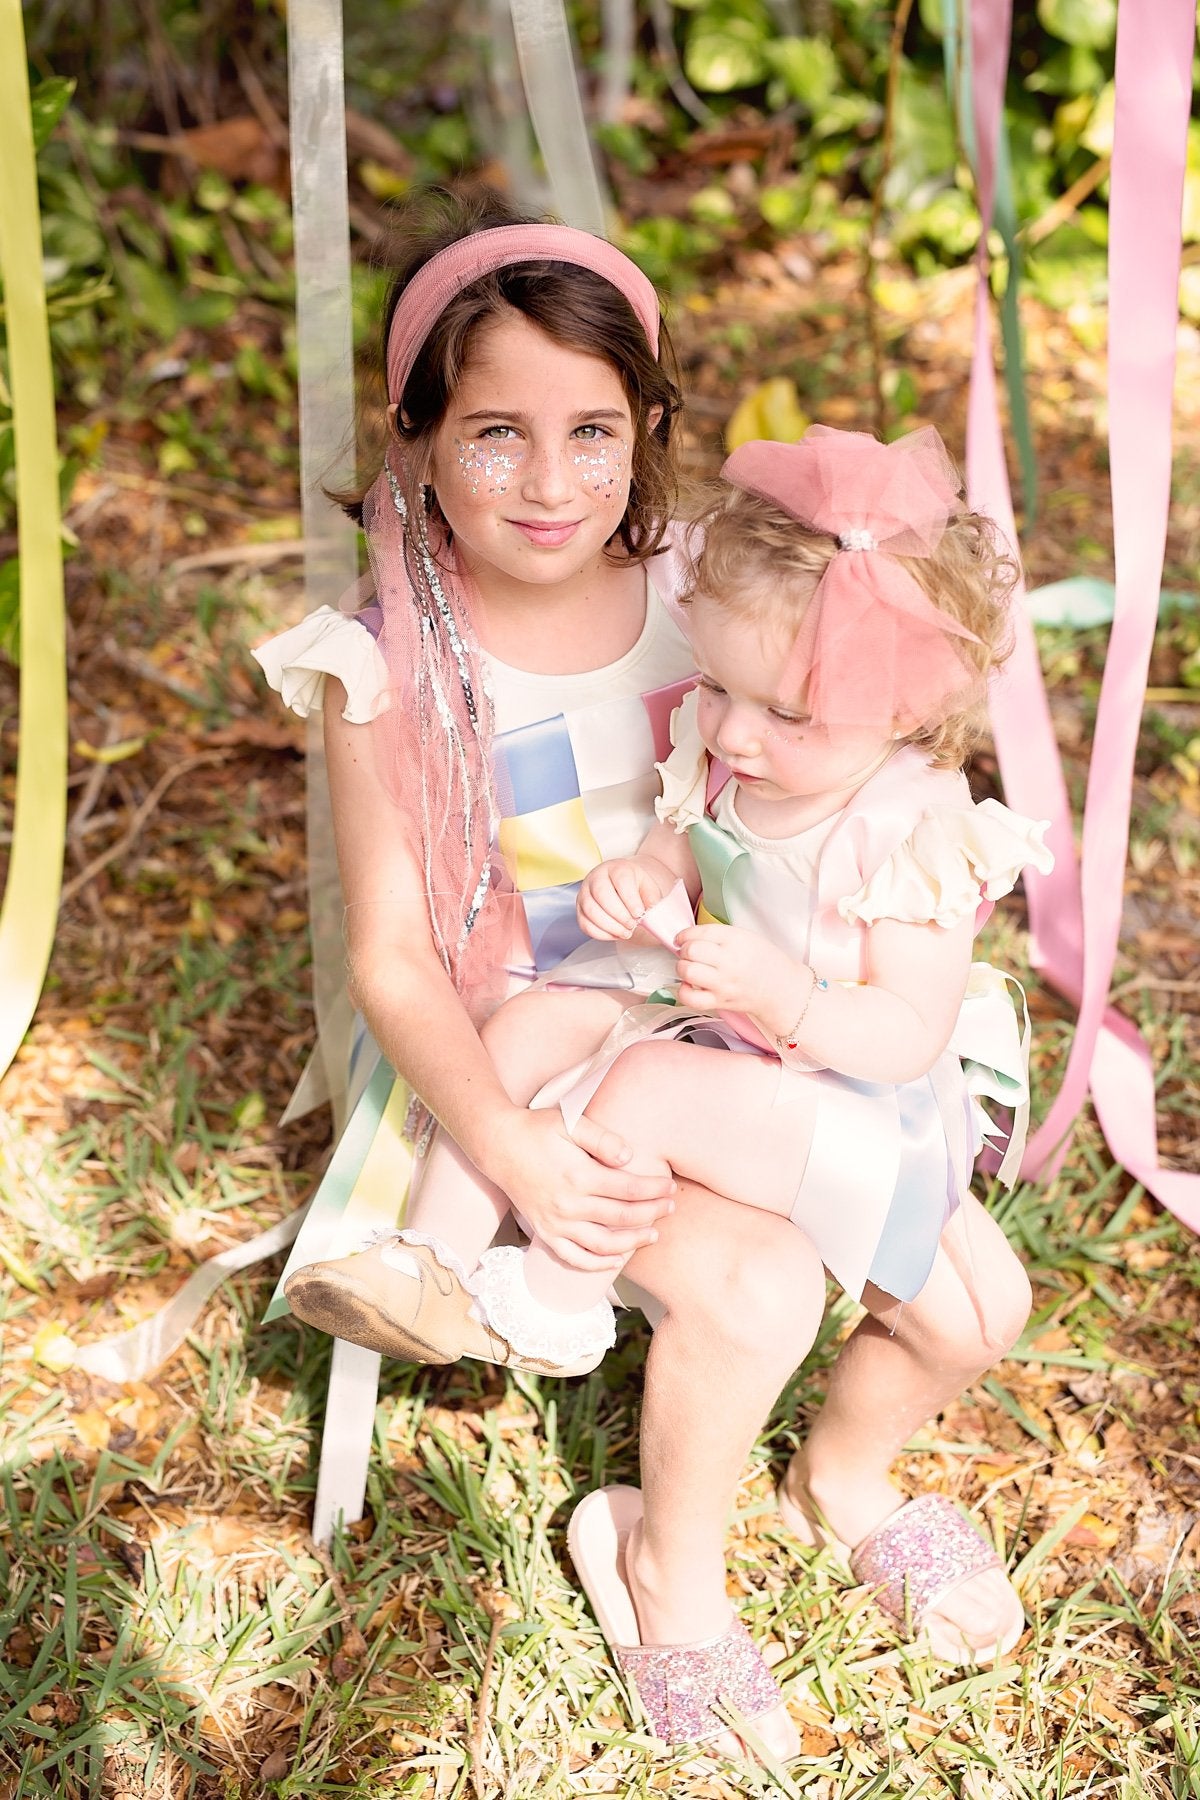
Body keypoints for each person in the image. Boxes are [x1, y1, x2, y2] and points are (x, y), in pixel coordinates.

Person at [257, 193, 1037, 1762]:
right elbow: (394, 957)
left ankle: (843, 1478)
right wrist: (516, 1148)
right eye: (496, 434)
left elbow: (863, 733)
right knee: (758, 1286)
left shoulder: (709, 587)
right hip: (527, 1057)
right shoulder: (386, 665)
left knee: (976, 1306)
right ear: (416, 441)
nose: (552, 482)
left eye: (592, 432)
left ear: (650, 433)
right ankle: (662, 1571)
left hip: (753, 1017)